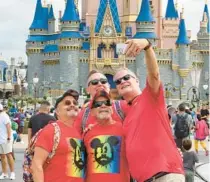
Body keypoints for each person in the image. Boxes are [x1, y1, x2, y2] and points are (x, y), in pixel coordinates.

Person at [113, 39, 184, 182]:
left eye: (127, 77)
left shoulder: (150, 97)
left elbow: (154, 74)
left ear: (137, 81)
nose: (122, 81)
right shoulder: (126, 114)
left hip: (164, 175)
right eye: (118, 81)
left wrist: (147, 46)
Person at [32, 89, 85, 182]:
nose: (72, 105)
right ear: (57, 111)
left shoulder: (78, 132)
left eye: (75, 103)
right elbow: (36, 164)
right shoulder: (51, 130)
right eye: (67, 103)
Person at [83, 90, 130, 182]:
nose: (103, 105)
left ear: (111, 108)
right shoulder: (87, 133)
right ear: (92, 112)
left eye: (107, 102)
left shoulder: (125, 129)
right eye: (98, 104)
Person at [74, 70, 130, 134]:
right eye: (94, 82)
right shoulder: (82, 115)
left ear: (109, 86)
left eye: (103, 81)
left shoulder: (123, 106)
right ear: (87, 90)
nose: (100, 84)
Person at [0, 104, 15, 180]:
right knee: (2, 156)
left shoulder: (4, 116)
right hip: (0, 140)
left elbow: (8, 127)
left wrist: (8, 137)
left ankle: (12, 173)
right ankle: (4, 173)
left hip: (6, 139)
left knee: (9, 155)